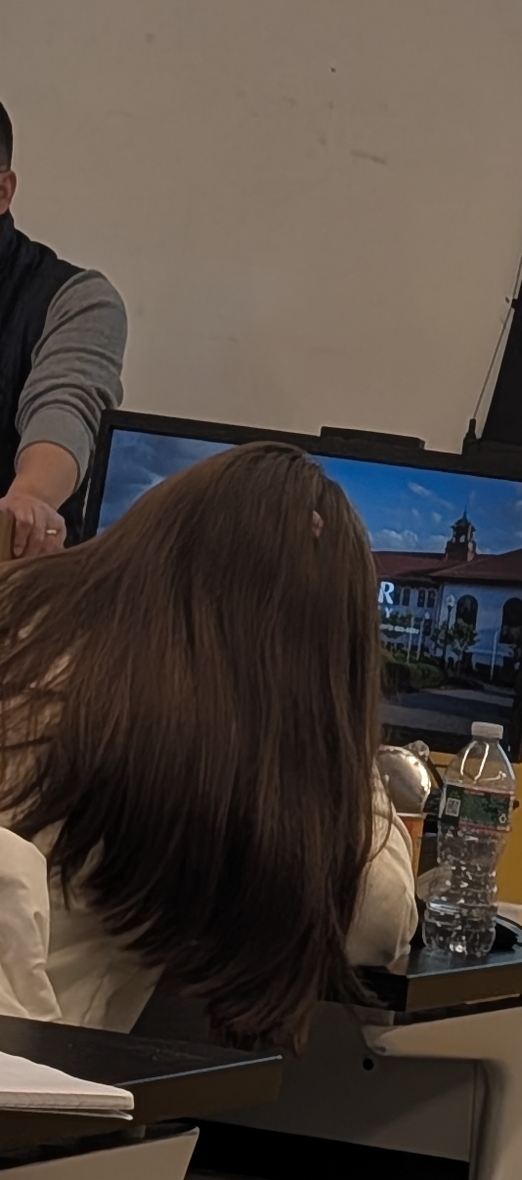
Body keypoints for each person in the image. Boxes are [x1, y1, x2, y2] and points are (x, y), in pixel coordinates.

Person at [0, 441, 416, 1047]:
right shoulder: (187, 745)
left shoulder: (27, 619)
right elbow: (379, 917)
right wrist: (335, 726)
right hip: (27, 1081)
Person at [0, 99, 127, 558]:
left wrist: (27, 503)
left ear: (3, 191)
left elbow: (65, 405)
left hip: (22, 583)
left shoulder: (76, 300)